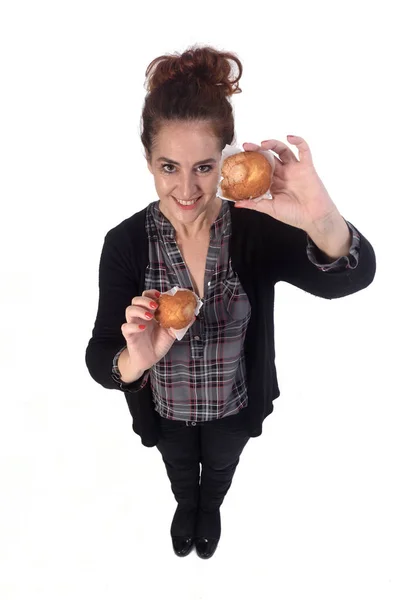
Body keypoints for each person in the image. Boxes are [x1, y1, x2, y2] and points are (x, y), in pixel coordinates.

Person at [85, 45, 376, 560]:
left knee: (220, 466)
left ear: (223, 160)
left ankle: (211, 505)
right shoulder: (126, 242)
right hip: (166, 409)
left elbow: (348, 279)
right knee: (179, 467)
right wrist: (136, 360)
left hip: (234, 409)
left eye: (203, 167)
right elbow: (100, 357)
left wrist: (319, 215)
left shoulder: (254, 228)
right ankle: (185, 504)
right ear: (149, 161)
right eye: (169, 166)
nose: (187, 188)